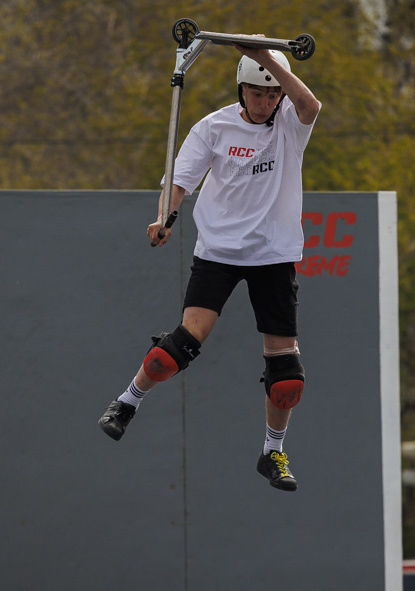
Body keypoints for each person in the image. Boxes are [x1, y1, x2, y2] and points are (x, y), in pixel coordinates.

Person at [97, 40, 321, 493]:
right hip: (219, 251)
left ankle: (271, 451)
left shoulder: (291, 126)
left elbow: (310, 102)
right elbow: (179, 182)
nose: (265, 102)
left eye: (272, 94)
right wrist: (165, 218)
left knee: (287, 379)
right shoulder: (213, 128)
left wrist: (266, 59)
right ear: (241, 91)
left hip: (274, 256)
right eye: (257, 93)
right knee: (174, 350)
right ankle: (126, 403)